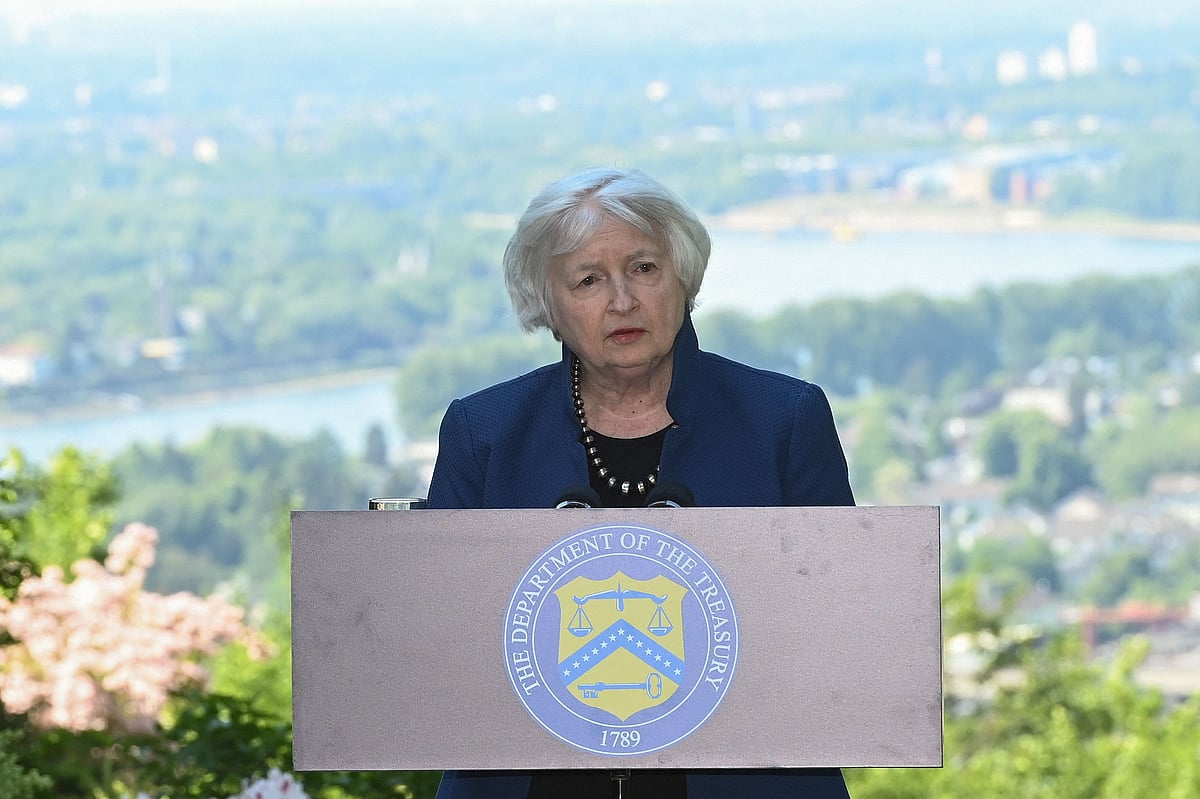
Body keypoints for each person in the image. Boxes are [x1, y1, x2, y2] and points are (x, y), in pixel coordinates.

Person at [426, 167, 855, 799]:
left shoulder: (783, 419)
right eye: (588, 280)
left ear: (684, 280)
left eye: (645, 268)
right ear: (548, 306)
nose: (622, 300)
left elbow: (843, 619)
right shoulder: (482, 432)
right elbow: (438, 640)